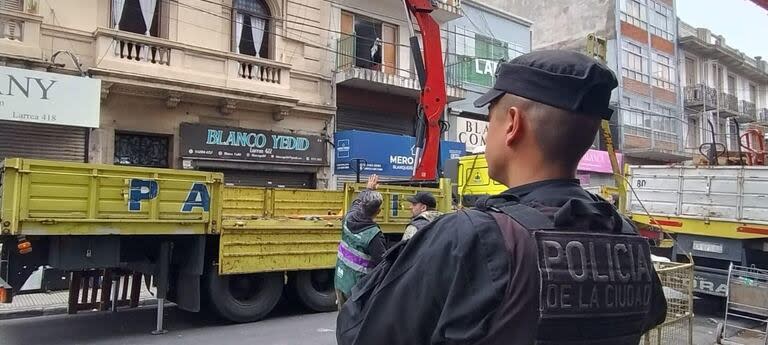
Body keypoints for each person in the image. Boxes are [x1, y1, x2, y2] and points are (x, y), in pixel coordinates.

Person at [337, 50, 667, 345]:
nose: (484, 133)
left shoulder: (468, 239)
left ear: (512, 124)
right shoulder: (625, 236)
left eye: (489, 118)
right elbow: (651, 314)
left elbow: (360, 331)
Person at [334, 174, 386, 309]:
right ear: (379, 211)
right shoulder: (373, 235)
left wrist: (368, 189)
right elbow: (383, 264)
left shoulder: (349, 217)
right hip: (358, 290)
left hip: (341, 281)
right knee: (356, 326)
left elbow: (356, 203)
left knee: (343, 323)